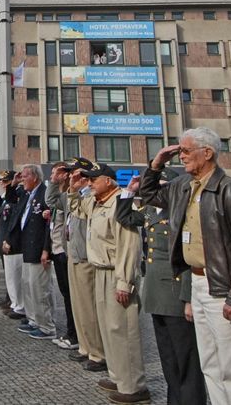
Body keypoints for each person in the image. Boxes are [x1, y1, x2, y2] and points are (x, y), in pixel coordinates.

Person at [143, 128, 231, 405]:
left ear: (207, 153)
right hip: (196, 282)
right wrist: (156, 163)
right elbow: (148, 195)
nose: (181, 156)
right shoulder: (183, 186)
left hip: (223, 286)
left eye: (186, 151)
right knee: (210, 364)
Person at [119, 173, 206, 405]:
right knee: (167, 355)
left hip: (176, 292)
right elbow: (125, 217)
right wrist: (129, 191)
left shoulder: (180, 212)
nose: (158, 192)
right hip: (156, 293)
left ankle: (192, 400)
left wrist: (188, 297)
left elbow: (188, 258)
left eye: (163, 187)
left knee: (185, 355)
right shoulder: (150, 211)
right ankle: (174, 399)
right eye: (156, 187)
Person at [69, 163, 149, 404]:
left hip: (116, 272)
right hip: (100, 271)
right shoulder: (96, 202)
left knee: (123, 329)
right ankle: (117, 376)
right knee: (107, 328)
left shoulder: (121, 204)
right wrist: (73, 188)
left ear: (110, 181)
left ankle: (134, 386)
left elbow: (129, 246)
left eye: (94, 179)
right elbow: (76, 209)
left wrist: (125, 282)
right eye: (88, 179)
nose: (90, 183)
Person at [63, 159, 107, 372]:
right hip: (74, 253)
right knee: (79, 307)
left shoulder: (92, 196)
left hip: (86, 257)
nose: (73, 177)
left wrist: (80, 186)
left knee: (89, 308)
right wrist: (72, 187)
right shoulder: (79, 195)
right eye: (71, 173)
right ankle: (85, 346)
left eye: (77, 174)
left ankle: (97, 352)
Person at [6, 164, 55, 340]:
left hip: (38, 248)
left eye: (25, 176)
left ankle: (47, 326)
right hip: (27, 247)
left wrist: (46, 249)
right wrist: (14, 182)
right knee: (28, 286)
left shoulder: (44, 193)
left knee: (40, 289)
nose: (22, 179)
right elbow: (11, 199)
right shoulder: (28, 194)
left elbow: (50, 224)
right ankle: (34, 319)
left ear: (35, 177)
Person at [45, 162, 78, 351]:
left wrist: (58, 180)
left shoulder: (70, 196)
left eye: (55, 173)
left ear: (65, 174)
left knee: (72, 296)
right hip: (58, 249)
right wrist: (54, 182)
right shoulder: (62, 195)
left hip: (67, 251)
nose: (52, 176)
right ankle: (70, 331)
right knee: (66, 295)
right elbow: (50, 200)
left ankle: (74, 334)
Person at [0, 170, 27, 320]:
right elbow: (4, 206)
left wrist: (8, 238)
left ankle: (16, 303)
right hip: (5, 237)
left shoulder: (19, 193)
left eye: (5, 181)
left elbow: (13, 215)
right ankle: (12, 301)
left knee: (15, 276)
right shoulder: (8, 195)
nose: (2, 183)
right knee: (9, 275)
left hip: (12, 240)